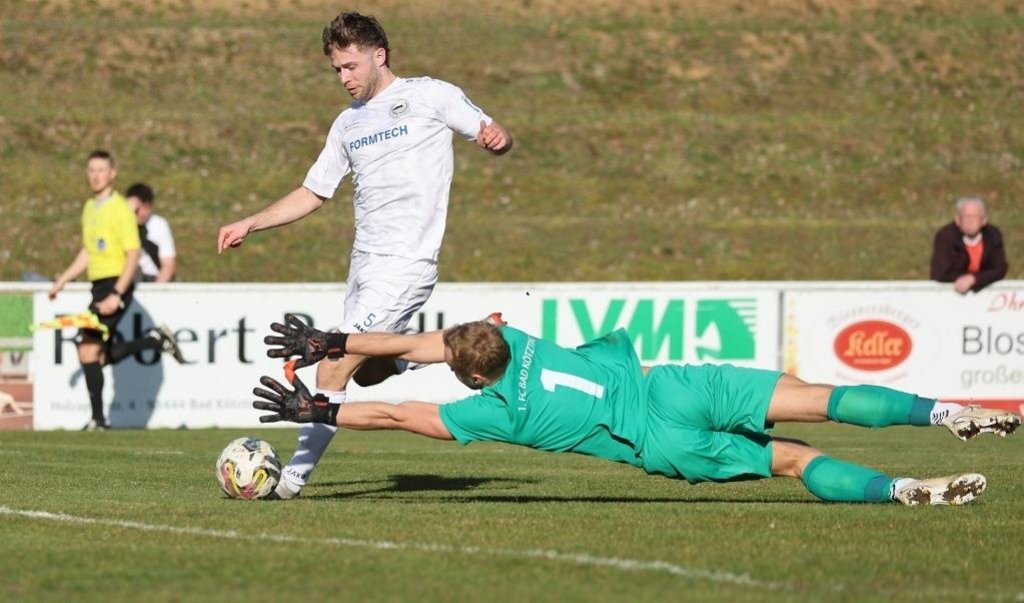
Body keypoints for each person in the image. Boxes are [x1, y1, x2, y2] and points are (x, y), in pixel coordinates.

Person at [254, 315, 1021, 506]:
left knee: (787, 457)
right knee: (819, 398)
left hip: (656, 440)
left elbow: (397, 412)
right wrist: (340, 337)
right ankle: (941, 408)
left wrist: (316, 404)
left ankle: (897, 491)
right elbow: (431, 342)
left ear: (469, 371)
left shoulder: (495, 416)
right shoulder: (520, 339)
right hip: (670, 385)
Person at [217, 12, 513, 499]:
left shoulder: (430, 95)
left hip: (406, 263)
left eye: (351, 66)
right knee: (370, 371)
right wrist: (250, 221)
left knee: (333, 363)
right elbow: (314, 192)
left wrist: (497, 138)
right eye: (337, 70)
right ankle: (460, 341)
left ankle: (286, 482)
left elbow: (490, 129)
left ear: (379, 55)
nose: (345, 78)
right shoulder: (347, 124)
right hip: (365, 264)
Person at [49, 150, 185, 430]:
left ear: (113, 173)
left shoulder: (121, 208)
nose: (96, 175)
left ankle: (98, 421)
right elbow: (88, 251)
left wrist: (116, 294)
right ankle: (155, 342)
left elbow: (133, 254)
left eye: (101, 170)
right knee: (95, 353)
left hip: (115, 285)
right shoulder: (89, 207)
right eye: (91, 170)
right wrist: (62, 280)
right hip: (99, 286)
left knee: (87, 348)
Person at [930, 196, 1008, 294]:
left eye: (974, 216)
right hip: (950, 295)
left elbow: (999, 269)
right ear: (958, 220)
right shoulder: (945, 236)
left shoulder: (993, 235)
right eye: (966, 216)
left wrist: (973, 279)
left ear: (984, 220)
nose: (970, 221)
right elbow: (939, 274)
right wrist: (962, 280)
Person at [125, 182, 176, 282]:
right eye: (138, 209)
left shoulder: (159, 224)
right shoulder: (122, 224)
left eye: (146, 207)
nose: (142, 213)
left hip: (153, 279)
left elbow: (168, 266)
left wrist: (155, 292)